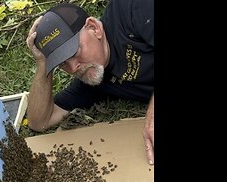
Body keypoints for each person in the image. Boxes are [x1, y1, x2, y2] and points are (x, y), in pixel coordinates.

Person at [26, 0, 154, 165]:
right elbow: (39, 122)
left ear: (94, 28)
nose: (73, 68)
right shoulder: (92, 80)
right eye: (63, 62)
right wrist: (43, 63)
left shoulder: (130, 9)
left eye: (75, 52)